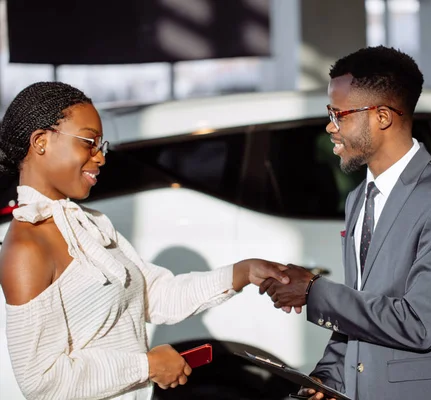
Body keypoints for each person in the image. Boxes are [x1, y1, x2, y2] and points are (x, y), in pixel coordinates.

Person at [0, 82, 291, 400]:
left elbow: (156, 295)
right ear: (41, 142)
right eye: (88, 143)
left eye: (102, 146)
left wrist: (243, 272)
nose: (100, 158)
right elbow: (41, 382)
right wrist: (147, 367)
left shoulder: (90, 223)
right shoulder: (26, 248)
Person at [260, 46, 431, 400]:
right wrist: (325, 381)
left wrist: (314, 291)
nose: (330, 127)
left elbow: (419, 323)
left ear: (381, 117)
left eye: (340, 114)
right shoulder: (358, 199)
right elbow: (361, 314)